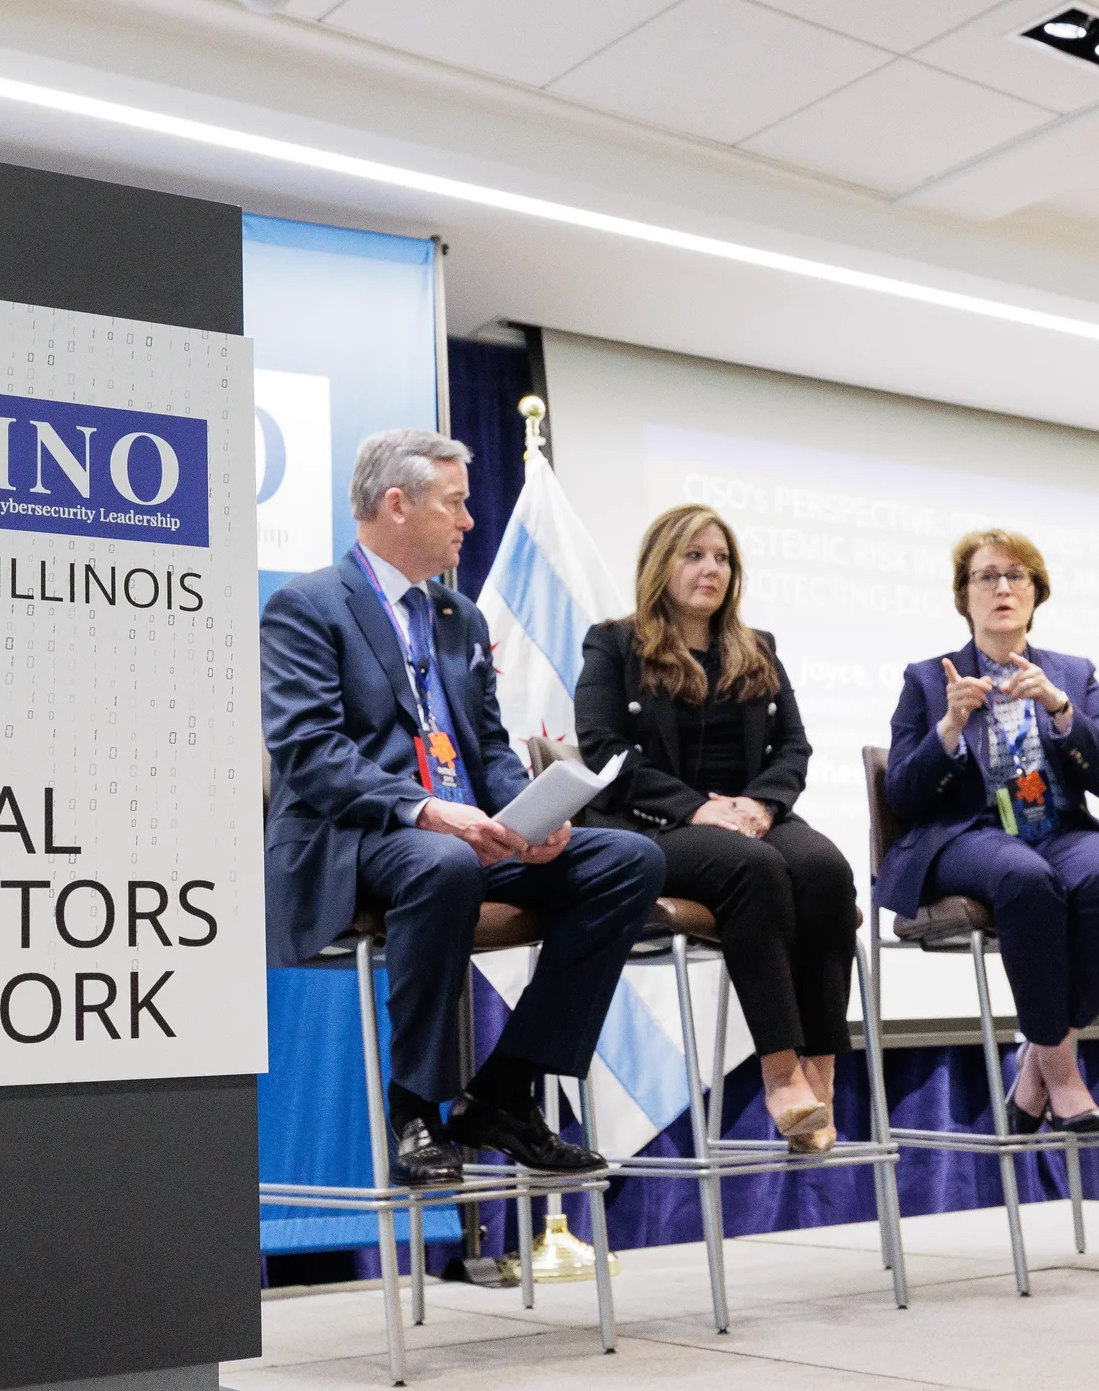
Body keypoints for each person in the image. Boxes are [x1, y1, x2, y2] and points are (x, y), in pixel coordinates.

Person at [261, 429, 666, 1186]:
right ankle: (416, 1106)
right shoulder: (307, 605)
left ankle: (506, 1091)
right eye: (455, 504)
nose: (469, 521)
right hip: (361, 836)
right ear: (397, 505)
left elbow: (487, 744)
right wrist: (427, 810)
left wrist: (531, 817)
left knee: (627, 860)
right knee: (441, 861)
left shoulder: (459, 618)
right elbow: (309, 751)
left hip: (468, 834)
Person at [575, 505, 860, 1153]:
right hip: (659, 822)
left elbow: (793, 747)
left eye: (723, 557)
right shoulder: (614, 642)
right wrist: (695, 806)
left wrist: (761, 804)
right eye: (694, 554)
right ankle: (782, 1072)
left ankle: (824, 1071)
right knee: (753, 868)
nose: (711, 568)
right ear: (660, 563)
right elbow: (600, 746)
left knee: (824, 868)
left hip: (751, 814)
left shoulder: (757, 647)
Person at [879, 530, 1099, 1133]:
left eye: (1017, 576)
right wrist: (949, 726)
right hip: (966, 835)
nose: (1003, 587)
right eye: (987, 577)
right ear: (964, 596)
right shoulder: (927, 679)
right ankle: (1062, 1070)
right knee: (1025, 878)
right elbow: (901, 794)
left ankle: (1039, 1057)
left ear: (1036, 593)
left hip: (1058, 827)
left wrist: (1060, 709)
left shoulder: (1073, 674)